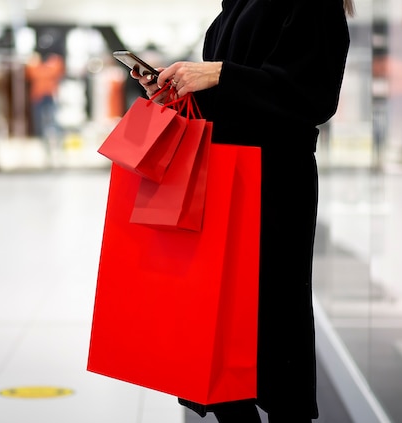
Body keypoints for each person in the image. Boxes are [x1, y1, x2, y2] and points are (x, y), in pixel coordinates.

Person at [133, 0, 354, 421]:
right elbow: (231, 102)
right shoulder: (236, 4)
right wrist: (179, 89)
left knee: (275, 322)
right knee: (220, 327)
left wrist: (216, 74)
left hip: (274, 184)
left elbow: (314, 96)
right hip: (224, 176)